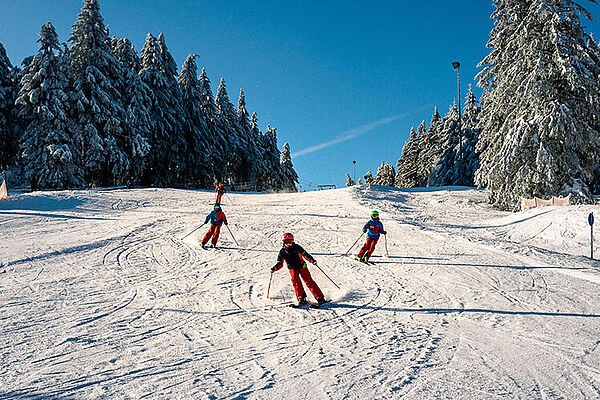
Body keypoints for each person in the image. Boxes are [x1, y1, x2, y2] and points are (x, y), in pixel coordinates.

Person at [271, 233, 326, 306]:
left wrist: (311, 260)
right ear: (283, 242)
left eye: (290, 242)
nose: (289, 244)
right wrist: (275, 268)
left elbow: (305, 254)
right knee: (295, 282)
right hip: (292, 268)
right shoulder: (282, 251)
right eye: (287, 242)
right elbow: (280, 263)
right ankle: (301, 298)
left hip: (302, 266)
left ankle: (320, 298)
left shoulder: (297, 247)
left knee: (308, 281)